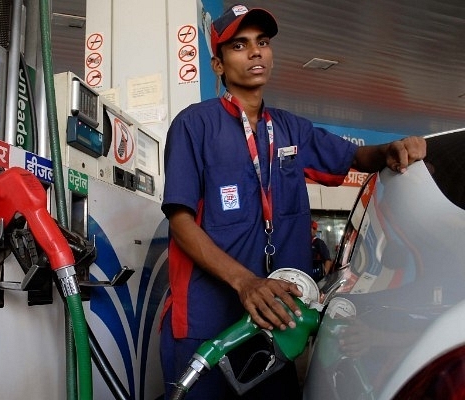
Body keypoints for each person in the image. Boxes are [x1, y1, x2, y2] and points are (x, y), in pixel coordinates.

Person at [159, 4, 427, 399]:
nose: (255, 52)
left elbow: (355, 157)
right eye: (240, 45)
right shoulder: (194, 125)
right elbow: (180, 222)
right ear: (217, 64)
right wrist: (245, 282)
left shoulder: (289, 129)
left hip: (280, 325)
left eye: (262, 43)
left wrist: (394, 146)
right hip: (207, 321)